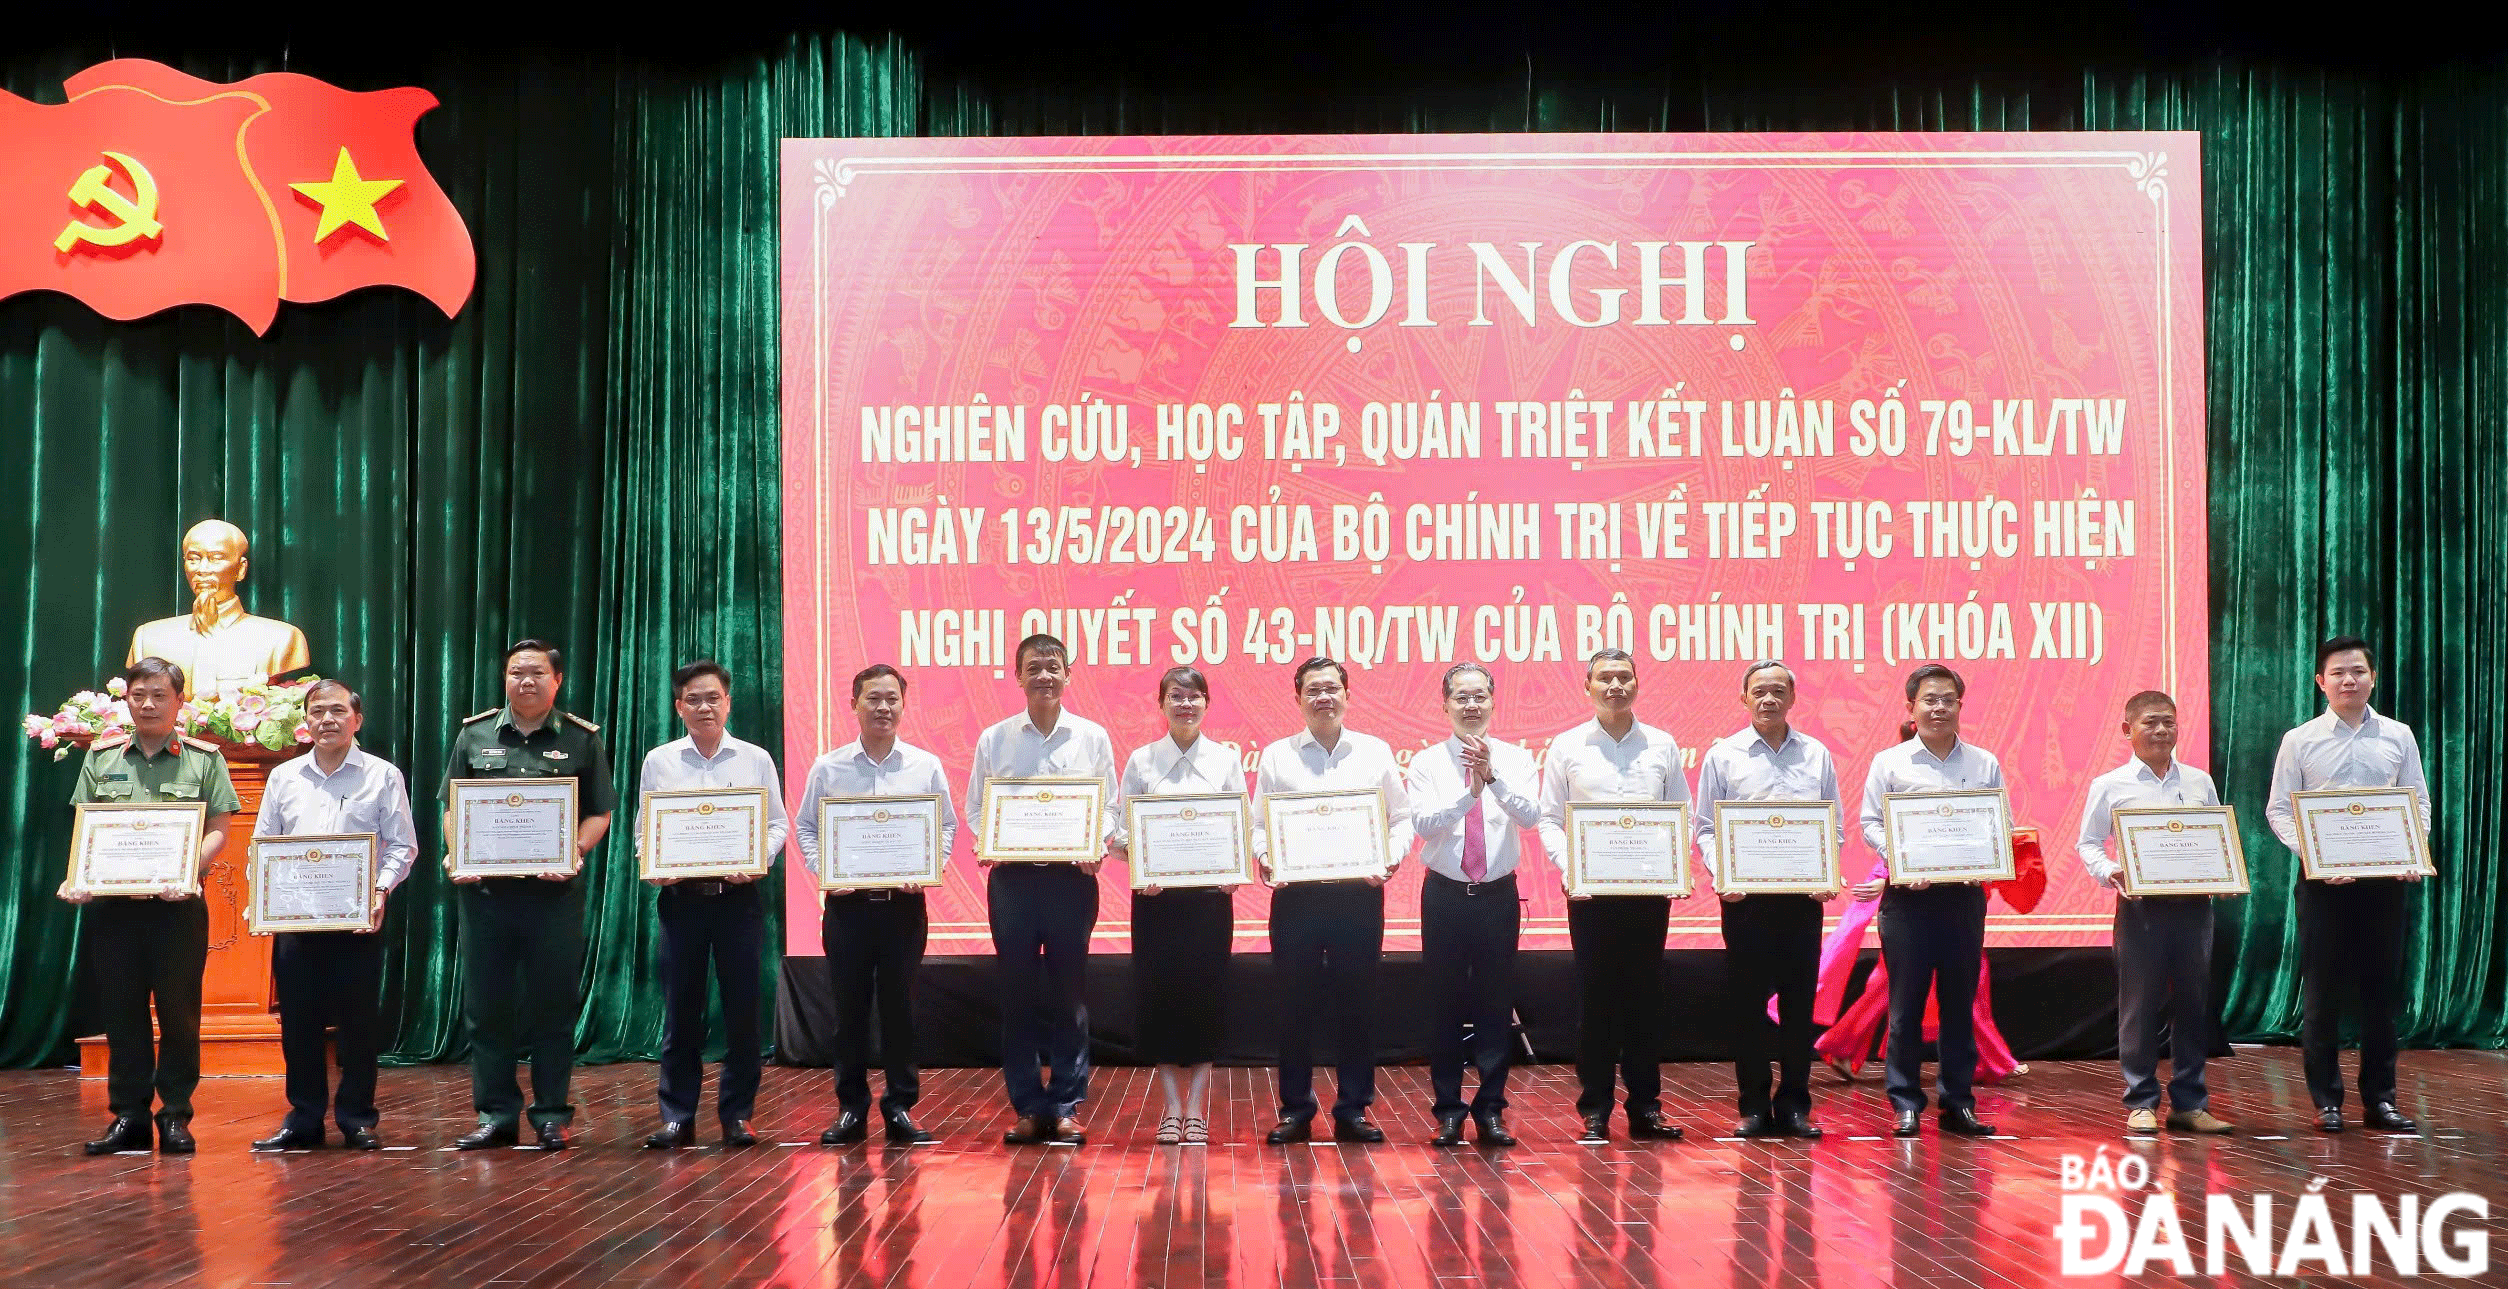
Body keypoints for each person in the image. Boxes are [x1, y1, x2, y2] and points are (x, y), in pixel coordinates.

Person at [440, 639, 616, 1151]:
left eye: (536, 673)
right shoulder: (474, 735)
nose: (525, 681)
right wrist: (459, 853)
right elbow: (451, 808)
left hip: (553, 898)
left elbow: (600, 813)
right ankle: (496, 1114)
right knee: (486, 1008)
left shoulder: (581, 740)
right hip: (487, 896)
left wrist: (574, 853)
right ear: (505, 678)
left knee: (552, 1008)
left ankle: (551, 1114)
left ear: (556, 680)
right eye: (516, 672)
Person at [59, 656, 238, 1155]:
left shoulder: (204, 759)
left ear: (179, 701)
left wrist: (188, 871)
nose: (149, 704)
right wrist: (79, 876)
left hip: (176, 908)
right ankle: (129, 1117)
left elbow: (219, 831)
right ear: (127, 700)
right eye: (139, 695)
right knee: (121, 1014)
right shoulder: (102, 757)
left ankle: (176, 1115)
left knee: (180, 1016)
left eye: (160, 695)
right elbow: (86, 829)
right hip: (114, 911)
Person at [2265, 636, 2431, 1134]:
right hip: (2324, 886)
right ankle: (2327, 1102)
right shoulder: (2300, 740)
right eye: (2337, 673)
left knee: (2382, 996)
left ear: (2373, 677)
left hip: (2384, 885)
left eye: (2358, 671)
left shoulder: (2399, 736)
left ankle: (2381, 1101)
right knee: (2323, 995)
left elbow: (2417, 804)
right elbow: (2278, 810)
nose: (2348, 680)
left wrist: (2410, 852)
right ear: (2320, 681)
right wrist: (2313, 857)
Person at [248, 680, 419, 1152]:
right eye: (317, 711)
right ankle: (303, 1118)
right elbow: (262, 847)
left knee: (358, 1026)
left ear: (357, 719)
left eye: (338, 711)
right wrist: (264, 898)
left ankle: (357, 1118)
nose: (327, 720)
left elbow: (403, 845)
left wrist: (380, 890)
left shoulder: (382, 775)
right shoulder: (284, 777)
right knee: (298, 1025)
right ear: (305, 721)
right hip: (296, 921)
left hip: (357, 920)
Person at [794, 663, 955, 1146]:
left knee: (900, 1010)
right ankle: (851, 1109)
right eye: (873, 699)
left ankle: (901, 1106)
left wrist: (929, 866)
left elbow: (944, 826)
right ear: (853, 705)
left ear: (904, 706)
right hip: (849, 910)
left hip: (904, 910)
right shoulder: (829, 766)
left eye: (891, 699)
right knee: (849, 1011)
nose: (883, 707)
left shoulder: (925, 765)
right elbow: (806, 827)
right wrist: (828, 872)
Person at [1253, 656, 1410, 1146]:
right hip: (1296, 900)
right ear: (1297, 699)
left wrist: (1389, 859)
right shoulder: (1278, 756)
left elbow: (1401, 819)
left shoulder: (1375, 752)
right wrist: (1266, 858)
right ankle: (1296, 1107)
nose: (1323, 697)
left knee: (1357, 1005)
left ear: (1347, 694)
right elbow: (1260, 826)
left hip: (1356, 900)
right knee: (1292, 1007)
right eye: (1313, 690)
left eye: (1332, 688)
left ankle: (1353, 1108)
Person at [969, 634, 1116, 1147]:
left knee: (1070, 995)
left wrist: (1096, 843)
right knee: (1017, 995)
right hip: (1012, 882)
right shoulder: (995, 739)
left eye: (1054, 666)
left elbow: (1110, 808)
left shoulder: (1092, 737)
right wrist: (989, 839)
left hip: (1071, 882)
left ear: (1068, 674)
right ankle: (1029, 1106)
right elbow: (975, 808)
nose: (1045, 675)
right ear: (1018, 675)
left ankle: (1067, 1104)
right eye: (1034, 667)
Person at [1537, 648, 1689, 1144]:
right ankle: (1595, 1109)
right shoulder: (1566, 746)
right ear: (1588, 687)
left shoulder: (1662, 744)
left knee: (1646, 1002)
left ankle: (1646, 1109)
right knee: (1597, 1002)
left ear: (1637, 684)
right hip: (1590, 896)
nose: (1616, 686)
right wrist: (1570, 866)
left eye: (1624, 677)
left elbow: (1680, 815)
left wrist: (1670, 866)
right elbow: (1550, 820)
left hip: (1648, 894)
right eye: (1605, 678)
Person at [636, 660, 788, 1150]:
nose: (705, 707)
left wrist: (757, 859)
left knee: (743, 1012)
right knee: (682, 1012)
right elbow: (644, 831)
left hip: (738, 900)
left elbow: (777, 825)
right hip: (682, 903)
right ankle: (677, 1115)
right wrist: (654, 862)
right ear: (679, 706)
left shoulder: (755, 758)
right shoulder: (659, 760)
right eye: (694, 699)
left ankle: (738, 1115)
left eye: (713, 698)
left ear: (728, 702)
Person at [2074, 689, 2234, 1136]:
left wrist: (2222, 875)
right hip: (2140, 912)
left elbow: (2214, 838)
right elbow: (2088, 844)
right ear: (2128, 730)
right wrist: (2111, 872)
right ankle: (2141, 1101)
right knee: (2138, 1008)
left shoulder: (2199, 782)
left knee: (2193, 1007)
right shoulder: (2109, 786)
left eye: (2169, 722)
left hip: (2194, 911)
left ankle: (2189, 1103)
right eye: (2150, 722)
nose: (2162, 730)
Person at [1694, 660, 1841, 1140]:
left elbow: (1833, 826)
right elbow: (1706, 829)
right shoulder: (1723, 756)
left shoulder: (1816, 754)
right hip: (1746, 901)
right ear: (1744, 698)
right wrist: (1724, 874)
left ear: (1793, 699)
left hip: (1801, 900)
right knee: (1748, 1007)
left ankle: (1796, 1105)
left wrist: (1826, 871)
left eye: (1779, 691)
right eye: (1759, 691)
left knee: (1799, 1007)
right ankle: (1754, 1106)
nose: (1769, 699)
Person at [1854, 663, 2000, 1138]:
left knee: (1961, 1007)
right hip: (1908, 902)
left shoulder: (1983, 764)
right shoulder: (1889, 762)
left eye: (1948, 700)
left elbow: (1998, 823)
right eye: (1929, 700)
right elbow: (1871, 823)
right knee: (1905, 1007)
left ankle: (1958, 1102)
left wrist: (1987, 858)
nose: (1939, 708)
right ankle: (1905, 1102)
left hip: (1962, 900)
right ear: (1911, 707)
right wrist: (1901, 859)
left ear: (1960, 705)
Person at [1407, 663, 1540, 1147]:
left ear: (1493, 702)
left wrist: (1494, 779)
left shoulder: (1517, 758)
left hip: (1496, 897)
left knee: (1494, 1004)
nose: (1471, 706)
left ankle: (1490, 1111)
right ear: (1445, 705)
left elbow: (1529, 815)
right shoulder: (1426, 762)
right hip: (1444, 895)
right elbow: (1424, 824)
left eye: (1479, 696)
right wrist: (1471, 794)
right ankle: (1447, 1111)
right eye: (1461, 698)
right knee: (1442, 1005)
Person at [1110, 665, 1244, 1146]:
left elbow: (1240, 823)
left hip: (1209, 903)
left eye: (1194, 696)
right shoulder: (1142, 760)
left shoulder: (1226, 760)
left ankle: (1198, 1107)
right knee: (1160, 996)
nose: (1185, 704)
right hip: (1156, 902)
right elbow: (1117, 826)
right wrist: (1139, 862)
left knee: (1208, 997)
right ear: (1161, 703)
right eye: (1175, 696)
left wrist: (1232, 869)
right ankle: (1170, 1105)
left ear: (1207, 703)